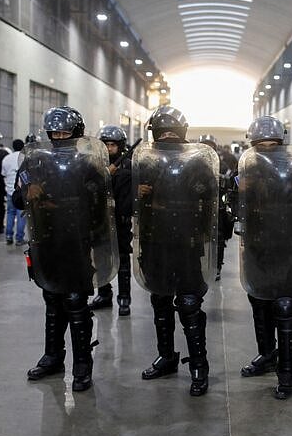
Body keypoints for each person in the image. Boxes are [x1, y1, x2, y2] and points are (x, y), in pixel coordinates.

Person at [15, 106, 118, 392]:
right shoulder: (35, 162)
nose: (58, 137)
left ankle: (82, 366)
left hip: (77, 242)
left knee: (75, 302)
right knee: (52, 299)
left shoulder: (89, 165)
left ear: (76, 133)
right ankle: (53, 357)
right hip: (46, 241)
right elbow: (15, 198)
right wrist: (28, 193)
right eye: (54, 132)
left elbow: (100, 206)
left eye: (64, 132)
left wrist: (56, 205)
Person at [133, 106, 218, 397]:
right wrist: (136, 192)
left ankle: (199, 365)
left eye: (172, 131)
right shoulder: (142, 161)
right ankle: (167, 357)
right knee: (160, 301)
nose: (167, 136)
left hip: (186, 242)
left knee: (190, 305)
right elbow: (121, 198)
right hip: (154, 242)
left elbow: (212, 200)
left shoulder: (197, 162)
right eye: (161, 131)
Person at [235, 116, 292, 399]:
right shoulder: (245, 174)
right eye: (261, 145)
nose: (267, 150)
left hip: (286, 249)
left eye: (273, 144)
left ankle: (288, 368)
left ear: (282, 144)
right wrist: (240, 193)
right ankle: (267, 355)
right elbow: (234, 210)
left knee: (284, 307)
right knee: (258, 301)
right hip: (257, 248)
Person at [89, 125, 134, 316]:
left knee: (123, 262)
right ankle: (104, 294)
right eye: (105, 144)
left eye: (112, 145)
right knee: (101, 260)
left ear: (120, 146)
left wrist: (118, 175)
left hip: (120, 223)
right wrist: (103, 175)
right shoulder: (93, 166)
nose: (109, 149)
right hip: (99, 222)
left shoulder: (128, 166)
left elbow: (128, 200)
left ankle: (124, 298)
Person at [198, 134, 235, 281]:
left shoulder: (223, 165)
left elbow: (230, 185)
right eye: (205, 145)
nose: (208, 148)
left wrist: (224, 182)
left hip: (218, 207)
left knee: (219, 239)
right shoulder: (193, 164)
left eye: (211, 145)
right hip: (198, 207)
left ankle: (217, 266)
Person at [1, 139, 26, 245]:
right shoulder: (24, 158)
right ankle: (19, 238)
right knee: (21, 214)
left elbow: (3, 174)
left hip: (9, 190)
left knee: (10, 213)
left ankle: (8, 236)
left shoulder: (6, 158)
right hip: (20, 192)